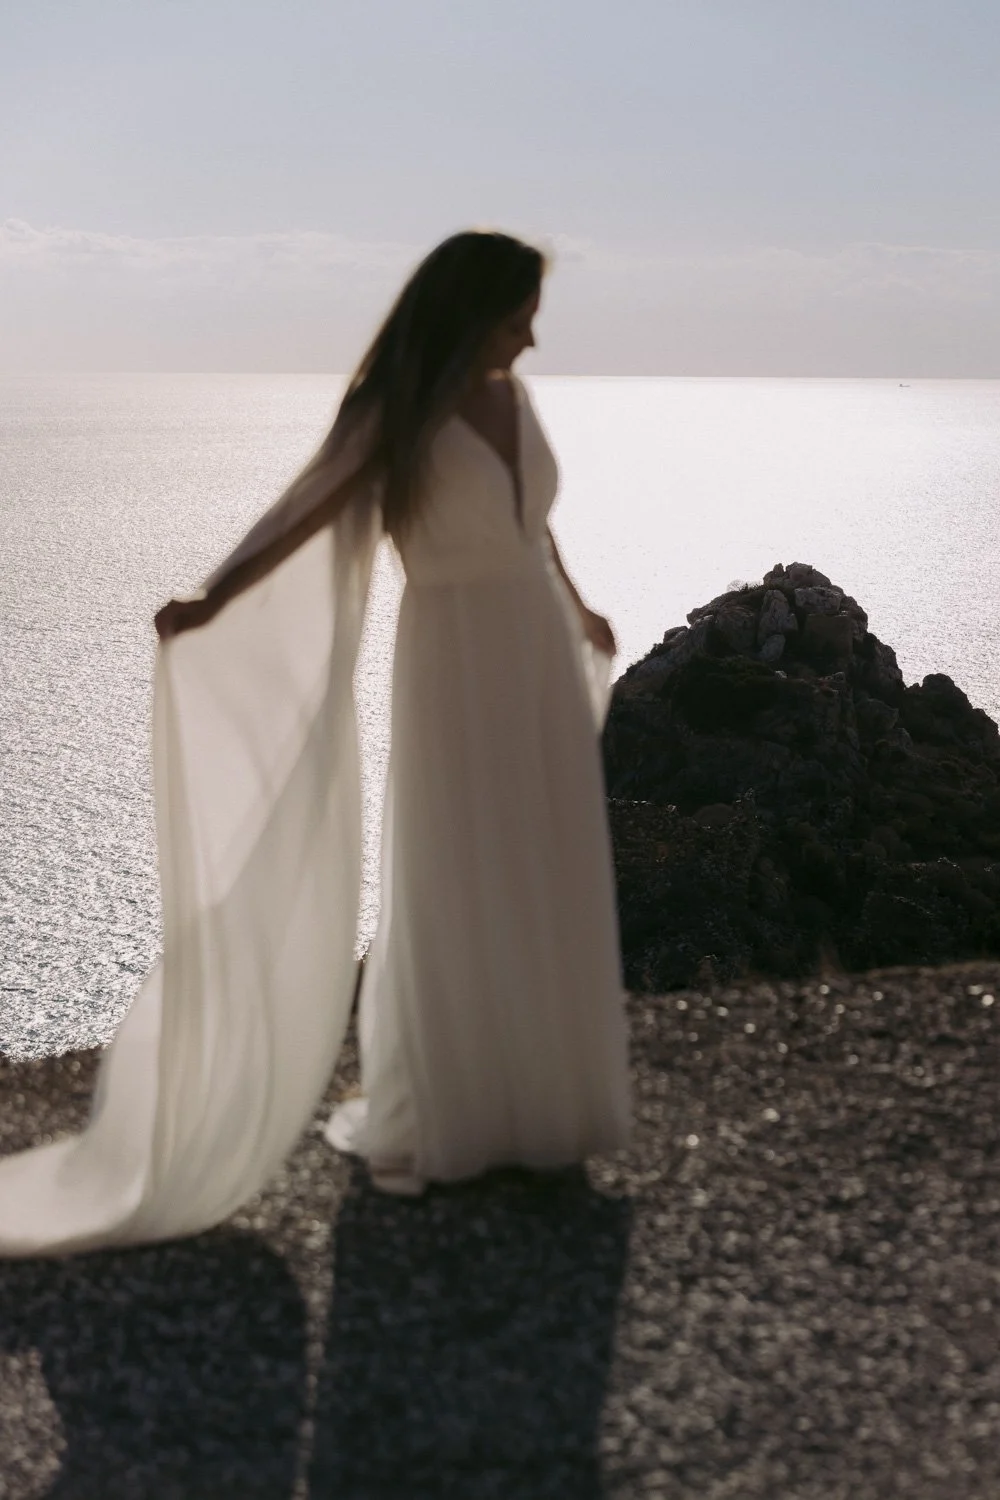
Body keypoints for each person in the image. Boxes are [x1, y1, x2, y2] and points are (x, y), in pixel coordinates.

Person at [0, 230, 631, 1253]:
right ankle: (457, 1111)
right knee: (462, 874)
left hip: (537, 659)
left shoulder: (513, 402)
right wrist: (210, 600)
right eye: (521, 312)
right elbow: (307, 507)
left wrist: (580, 605)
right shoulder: (396, 413)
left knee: (543, 864)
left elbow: (532, 522)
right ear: (474, 310)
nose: (533, 334)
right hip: (457, 662)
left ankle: (543, 1111)